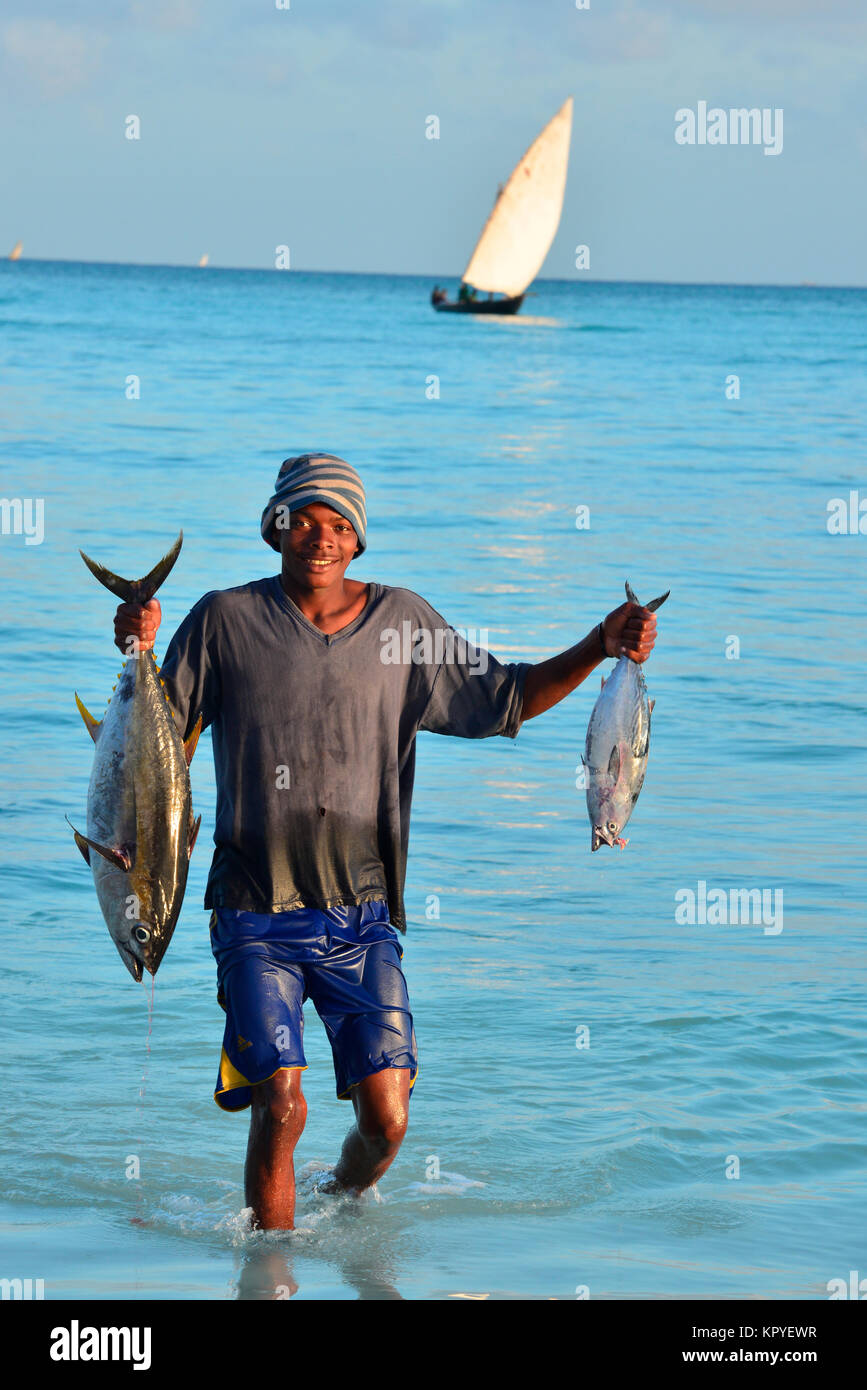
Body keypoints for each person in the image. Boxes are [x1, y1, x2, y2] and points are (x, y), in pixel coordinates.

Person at [114, 452, 659, 1231]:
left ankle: (342, 1193)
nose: (319, 536)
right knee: (281, 1101)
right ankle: (271, 1279)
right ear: (275, 527)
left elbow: (503, 698)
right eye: (301, 519)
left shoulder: (402, 625)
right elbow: (163, 747)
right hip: (251, 909)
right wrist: (136, 648)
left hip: (361, 915)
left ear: (359, 539)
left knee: (387, 1123)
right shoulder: (222, 620)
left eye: (338, 524)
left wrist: (598, 644)